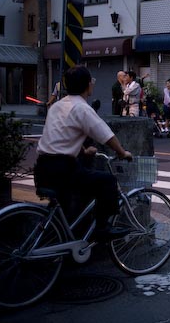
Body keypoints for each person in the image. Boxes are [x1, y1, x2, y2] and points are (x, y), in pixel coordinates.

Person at [34, 65, 132, 241]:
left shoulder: (57, 106)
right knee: (107, 181)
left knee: (63, 212)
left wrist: (84, 150)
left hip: (42, 166)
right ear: (88, 85)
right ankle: (102, 228)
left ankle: (58, 245)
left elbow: (62, 135)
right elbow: (107, 135)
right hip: (63, 169)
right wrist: (123, 152)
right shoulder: (82, 108)